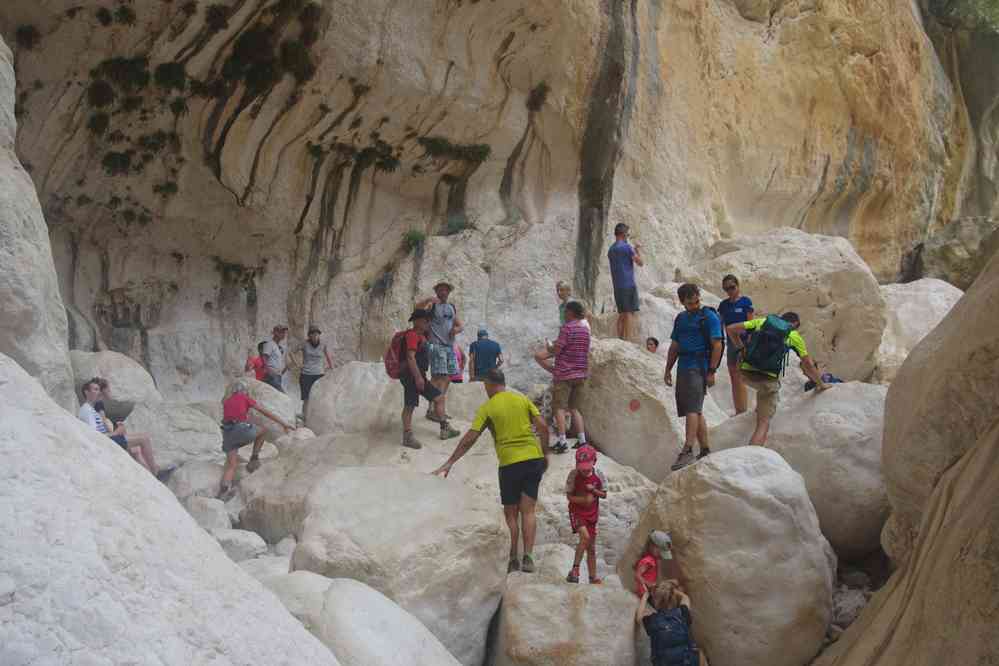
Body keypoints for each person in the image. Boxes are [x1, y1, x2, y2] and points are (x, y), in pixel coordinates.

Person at [433, 368, 551, 574]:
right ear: (503, 383)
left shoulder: (488, 407)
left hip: (509, 463)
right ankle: (528, 557)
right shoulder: (522, 399)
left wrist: (450, 462)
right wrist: (545, 453)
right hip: (532, 459)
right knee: (528, 510)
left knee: (511, 513)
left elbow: (470, 438)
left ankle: (513, 559)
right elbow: (542, 426)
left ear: (488, 385)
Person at [726, 312, 830, 447]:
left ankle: (759, 408)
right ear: (795, 324)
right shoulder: (793, 335)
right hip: (767, 379)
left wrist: (741, 349)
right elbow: (807, 364)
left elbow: (731, 329)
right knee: (763, 422)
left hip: (745, 372)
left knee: (762, 390)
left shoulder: (763, 322)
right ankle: (752, 452)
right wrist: (821, 384)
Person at [665, 284, 723, 471]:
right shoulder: (681, 319)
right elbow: (675, 346)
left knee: (692, 408)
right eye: (690, 303)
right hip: (683, 367)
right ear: (682, 302)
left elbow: (717, 345)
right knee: (695, 410)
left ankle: (688, 449)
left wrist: (711, 371)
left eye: (697, 301)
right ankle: (705, 449)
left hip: (698, 367)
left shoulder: (709, 317)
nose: (695, 305)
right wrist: (668, 369)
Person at [78, 378, 169, 481]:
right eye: (95, 389)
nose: (98, 392)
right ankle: (155, 473)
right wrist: (117, 432)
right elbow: (95, 436)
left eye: (98, 389)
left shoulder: (91, 409)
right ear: (86, 392)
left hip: (106, 440)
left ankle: (151, 474)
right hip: (104, 442)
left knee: (136, 448)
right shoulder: (87, 410)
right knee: (144, 438)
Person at [217, 380, 294, 500]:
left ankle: (223, 493)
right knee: (263, 430)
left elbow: (230, 417)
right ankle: (254, 459)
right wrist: (283, 423)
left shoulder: (227, 401)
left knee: (231, 465)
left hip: (227, 434)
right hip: (241, 429)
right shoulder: (245, 397)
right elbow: (265, 412)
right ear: (244, 391)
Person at [398, 308, 460, 449]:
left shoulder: (421, 336)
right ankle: (407, 436)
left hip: (419, 376)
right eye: (426, 321)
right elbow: (410, 357)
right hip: (412, 376)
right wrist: (418, 378)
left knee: (439, 398)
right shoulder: (412, 335)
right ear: (418, 321)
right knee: (410, 405)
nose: (428, 323)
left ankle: (445, 428)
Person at [415, 281, 463, 423]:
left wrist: (456, 329)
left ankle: (438, 408)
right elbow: (417, 309)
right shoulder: (432, 306)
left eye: (445, 290)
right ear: (436, 292)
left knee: (447, 377)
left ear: (449, 292)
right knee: (437, 377)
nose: (443, 292)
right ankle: (432, 409)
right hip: (436, 346)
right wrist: (427, 300)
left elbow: (460, 325)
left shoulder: (451, 307)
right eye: (440, 290)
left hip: (449, 347)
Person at [636, 580, 708, 666]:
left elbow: (639, 617)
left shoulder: (653, 620)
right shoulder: (682, 613)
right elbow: (685, 597)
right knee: (700, 654)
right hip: (688, 661)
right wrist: (672, 590)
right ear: (673, 597)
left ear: (656, 602)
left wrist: (646, 595)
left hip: (664, 663)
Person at [550, 301, 590, 453]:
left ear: (571, 312)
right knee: (574, 408)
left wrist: (549, 347)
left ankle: (562, 442)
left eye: (565, 312)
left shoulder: (566, 328)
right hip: (580, 374)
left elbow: (557, 350)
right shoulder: (585, 329)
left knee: (559, 408)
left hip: (565, 374)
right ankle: (582, 441)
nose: (564, 314)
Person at [565, 445, 607, 584]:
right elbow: (569, 496)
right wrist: (583, 500)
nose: (584, 471)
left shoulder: (599, 474)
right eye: (581, 468)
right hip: (577, 512)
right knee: (585, 537)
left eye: (587, 468)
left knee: (591, 547)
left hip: (592, 514)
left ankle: (592, 577)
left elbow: (604, 494)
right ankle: (575, 569)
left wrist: (594, 491)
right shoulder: (573, 475)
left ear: (594, 462)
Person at [717, 275, 754, 414]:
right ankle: (739, 409)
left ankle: (743, 409)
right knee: (733, 375)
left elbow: (751, 323)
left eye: (732, 287)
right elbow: (720, 324)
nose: (729, 291)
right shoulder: (723, 305)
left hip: (743, 342)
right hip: (731, 343)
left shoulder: (745, 302)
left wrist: (749, 343)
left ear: (738, 286)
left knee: (740, 375)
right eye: (726, 289)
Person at [607, 222, 644, 341]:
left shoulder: (611, 250)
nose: (628, 237)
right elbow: (640, 262)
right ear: (623, 234)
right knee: (628, 313)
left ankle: (620, 339)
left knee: (622, 313)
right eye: (627, 234)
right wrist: (637, 250)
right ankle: (626, 340)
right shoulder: (626, 247)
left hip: (617, 286)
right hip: (628, 284)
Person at [292, 326, 332, 419]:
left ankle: (318, 416)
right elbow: (291, 352)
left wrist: (331, 367)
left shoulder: (323, 344)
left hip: (319, 374)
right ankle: (304, 415)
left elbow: (328, 356)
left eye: (317, 334)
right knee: (306, 397)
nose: (315, 336)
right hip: (306, 374)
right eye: (313, 334)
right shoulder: (304, 343)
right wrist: (298, 364)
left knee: (319, 396)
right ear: (309, 335)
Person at [634, 530, 673, 596]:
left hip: (650, 590)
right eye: (660, 553)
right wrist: (648, 583)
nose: (661, 556)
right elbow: (637, 575)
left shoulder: (654, 559)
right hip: (644, 593)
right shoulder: (648, 561)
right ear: (652, 547)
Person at [261, 325, 289, 392]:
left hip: (277, 376)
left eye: (284, 333)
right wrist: (269, 372)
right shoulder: (270, 344)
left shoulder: (278, 347)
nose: (284, 334)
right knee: (282, 395)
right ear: (276, 333)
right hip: (272, 376)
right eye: (282, 332)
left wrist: (285, 368)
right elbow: (264, 359)